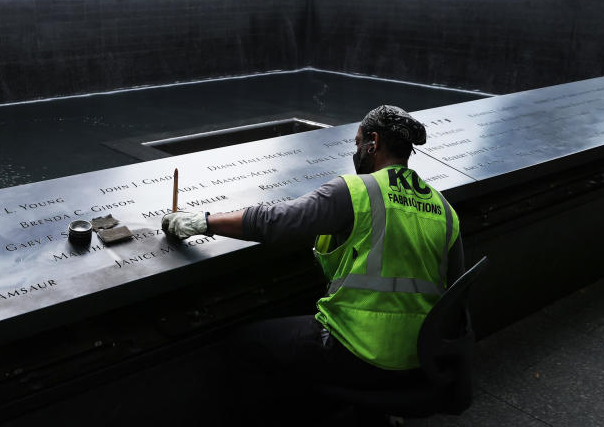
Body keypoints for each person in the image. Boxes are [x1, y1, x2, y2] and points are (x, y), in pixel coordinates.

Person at [162, 106, 464, 413]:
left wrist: (204, 221)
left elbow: (275, 221)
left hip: (359, 349)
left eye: (357, 142)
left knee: (246, 343)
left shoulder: (358, 190)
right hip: (419, 357)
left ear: (373, 141)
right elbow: (454, 293)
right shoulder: (445, 209)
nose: (356, 151)